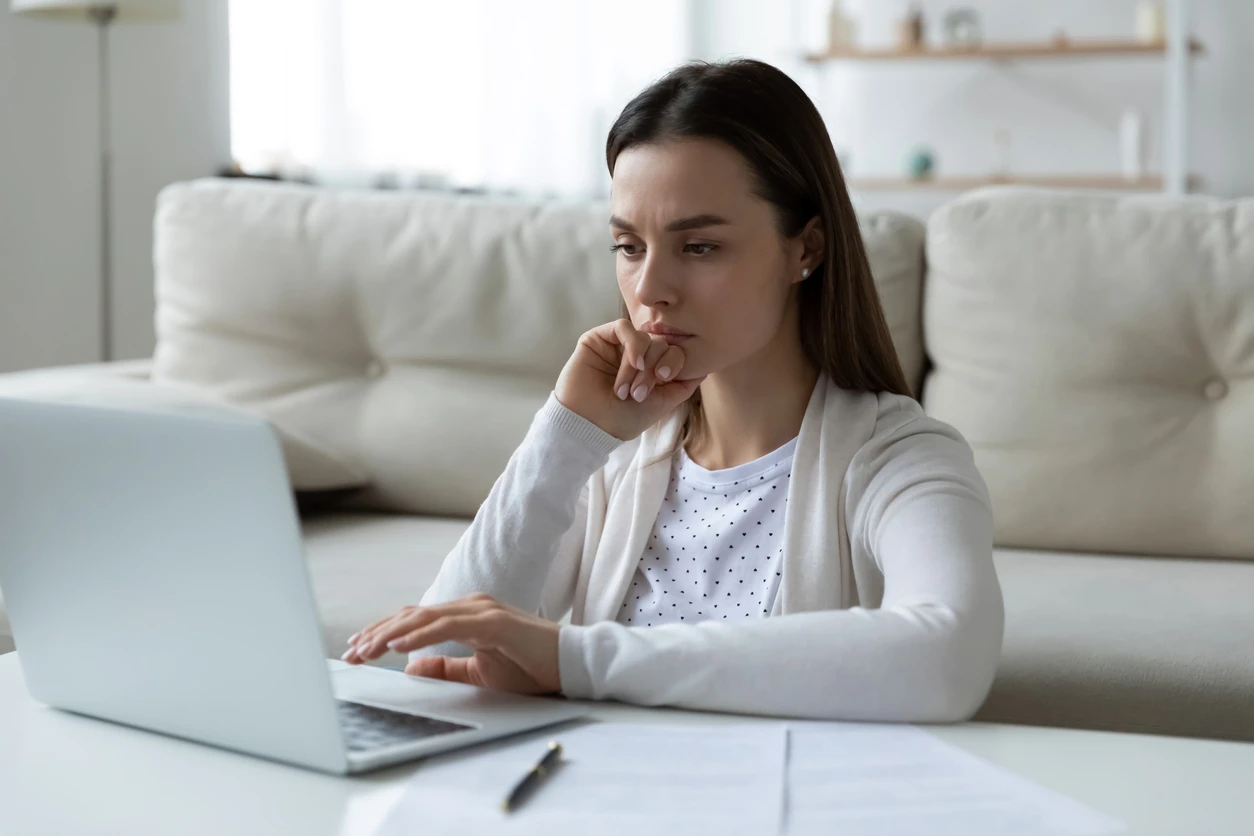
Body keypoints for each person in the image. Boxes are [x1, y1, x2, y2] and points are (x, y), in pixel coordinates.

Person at [344, 59, 1004, 722]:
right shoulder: (615, 460)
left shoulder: (900, 458)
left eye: (700, 247)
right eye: (629, 246)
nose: (650, 289)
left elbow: (948, 658)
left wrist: (578, 661)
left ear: (806, 248)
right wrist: (567, 433)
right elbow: (440, 658)